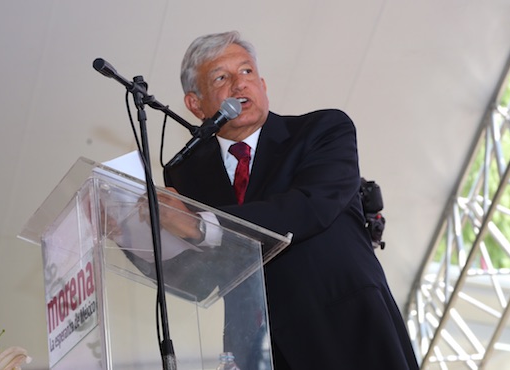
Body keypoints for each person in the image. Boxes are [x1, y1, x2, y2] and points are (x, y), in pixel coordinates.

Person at [160, 31, 419, 370]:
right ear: (195, 104)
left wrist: (202, 225)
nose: (240, 85)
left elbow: (309, 207)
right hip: (259, 350)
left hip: (347, 329)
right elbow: (202, 277)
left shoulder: (322, 130)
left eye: (247, 72)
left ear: (263, 84)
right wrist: (127, 233)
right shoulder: (185, 175)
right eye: (222, 77)